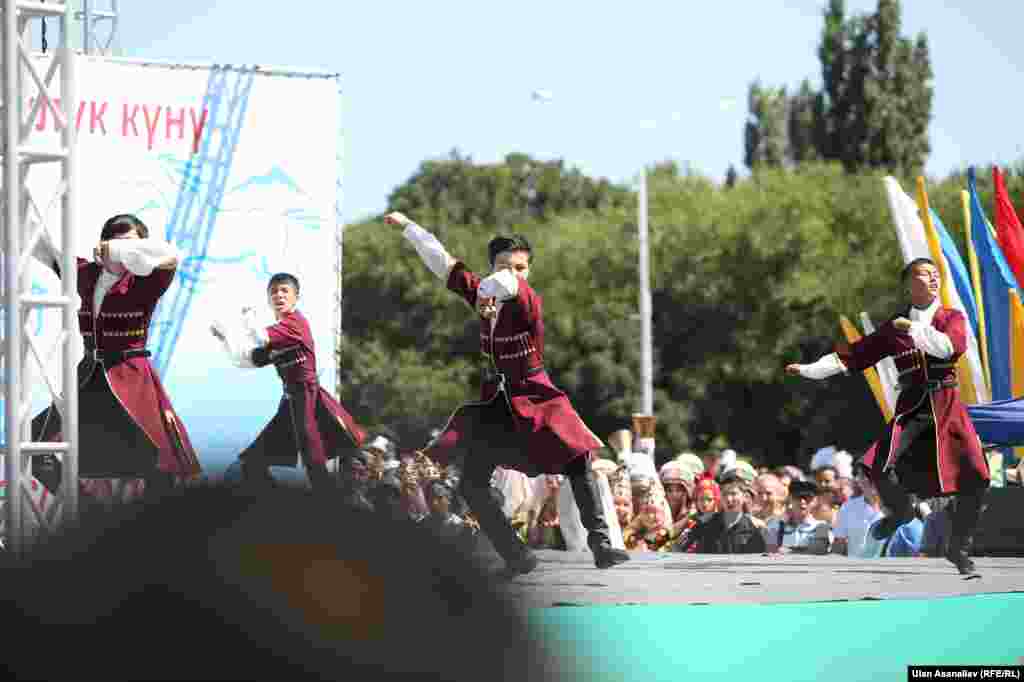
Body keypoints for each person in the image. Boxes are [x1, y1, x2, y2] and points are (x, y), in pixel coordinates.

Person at [386, 211, 629, 575]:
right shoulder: (482, 293)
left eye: (520, 267)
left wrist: (497, 284)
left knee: (578, 456)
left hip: (537, 398)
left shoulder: (527, 301)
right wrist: (409, 228)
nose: (512, 273)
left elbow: (510, 289)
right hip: (497, 408)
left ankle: (602, 542)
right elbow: (443, 262)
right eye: (503, 265)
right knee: (470, 482)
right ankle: (516, 555)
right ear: (489, 267)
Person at [785, 257, 990, 575]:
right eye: (924, 275)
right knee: (876, 464)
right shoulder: (894, 326)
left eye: (936, 275)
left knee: (977, 476)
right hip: (912, 405)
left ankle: (958, 547)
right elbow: (854, 355)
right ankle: (902, 512)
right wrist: (810, 370)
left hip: (947, 404)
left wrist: (913, 328)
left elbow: (947, 347)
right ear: (909, 284)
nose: (933, 280)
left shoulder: (951, 317)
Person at [30, 214, 200, 495]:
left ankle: (164, 527)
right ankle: (86, 510)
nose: (125, 250)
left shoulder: (148, 281)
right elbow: (45, 249)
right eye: (115, 241)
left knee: (158, 459)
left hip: (130, 379)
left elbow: (171, 255)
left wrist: (120, 250)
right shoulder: (86, 274)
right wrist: (13, 213)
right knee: (34, 440)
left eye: (132, 244)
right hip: (87, 378)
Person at [211, 273, 368, 493]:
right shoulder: (278, 333)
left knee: (314, 460)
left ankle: (332, 508)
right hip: (290, 403)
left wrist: (247, 316)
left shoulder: (295, 323)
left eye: (285, 290)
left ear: (296, 297)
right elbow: (245, 360)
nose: (279, 295)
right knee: (253, 463)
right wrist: (225, 337)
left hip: (308, 399)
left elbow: (261, 337)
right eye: (274, 291)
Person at [674, 470, 767, 554]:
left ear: (745, 497)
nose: (729, 499)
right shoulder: (703, 522)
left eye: (733, 494)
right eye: (724, 494)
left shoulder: (754, 529)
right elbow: (677, 548)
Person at [765, 480, 831, 555]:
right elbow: (770, 550)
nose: (802, 501)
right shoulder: (775, 525)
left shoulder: (822, 527)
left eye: (807, 498)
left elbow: (818, 550)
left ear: (815, 501)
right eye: (797, 497)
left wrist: (790, 551)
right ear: (790, 498)